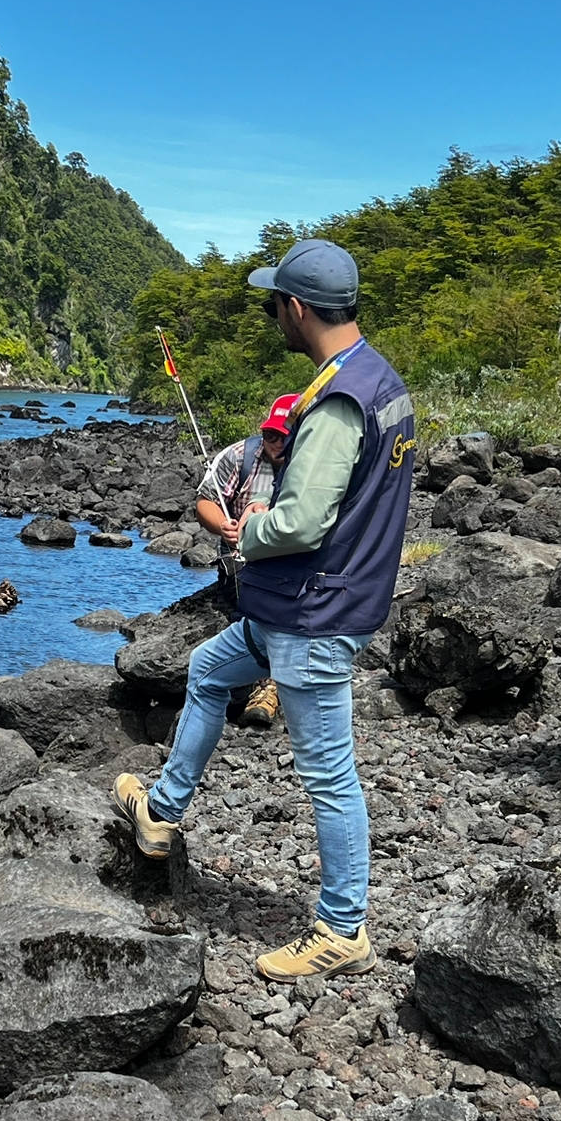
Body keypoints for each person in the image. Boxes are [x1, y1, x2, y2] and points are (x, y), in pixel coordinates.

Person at [112, 238, 416, 983]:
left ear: (298, 307)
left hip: (314, 611)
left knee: (329, 777)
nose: (272, 313)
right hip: (298, 605)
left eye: (273, 301)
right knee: (210, 667)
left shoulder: (339, 398)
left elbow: (302, 523)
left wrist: (246, 530)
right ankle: (163, 810)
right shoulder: (380, 381)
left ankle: (342, 927)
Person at [197, 393, 300, 727]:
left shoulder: (314, 463)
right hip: (241, 560)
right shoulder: (239, 455)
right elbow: (205, 501)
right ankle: (265, 687)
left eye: (283, 435)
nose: (276, 442)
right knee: (257, 604)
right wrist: (222, 526)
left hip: (291, 559)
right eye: (270, 434)